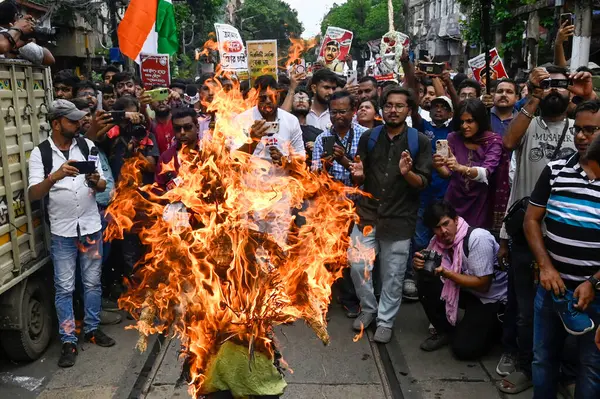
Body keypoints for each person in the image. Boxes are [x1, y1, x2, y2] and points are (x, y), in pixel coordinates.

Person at [497, 65, 592, 394]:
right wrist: (533, 96)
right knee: (527, 312)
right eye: (546, 85)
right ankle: (528, 366)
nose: (554, 90)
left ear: (571, 93)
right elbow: (508, 141)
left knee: (573, 311)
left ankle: (565, 372)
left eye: (560, 85)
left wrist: (589, 95)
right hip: (528, 233)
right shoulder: (529, 122)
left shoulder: (580, 129)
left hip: (572, 238)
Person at [27, 100, 115, 368]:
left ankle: (91, 329)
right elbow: (33, 194)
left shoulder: (87, 146)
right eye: (72, 121)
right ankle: (68, 340)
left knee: (92, 283)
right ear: (56, 124)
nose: (79, 125)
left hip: (90, 227)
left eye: (79, 120)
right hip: (63, 232)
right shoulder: (40, 154)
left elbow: (102, 184)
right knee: (64, 287)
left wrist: (94, 181)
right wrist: (55, 176)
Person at [524, 99, 600, 398]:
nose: (581, 137)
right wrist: (545, 266)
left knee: (592, 367)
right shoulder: (555, 170)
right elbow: (531, 220)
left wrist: (594, 281)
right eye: (578, 130)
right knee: (542, 360)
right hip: (551, 290)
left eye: (591, 130)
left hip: (595, 296)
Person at [348, 85, 432, 343]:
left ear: (408, 110)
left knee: (393, 274)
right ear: (381, 109)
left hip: (399, 218)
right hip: (367, 214)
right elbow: (359, 174)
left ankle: (385, 320)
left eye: (399, 106)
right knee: (357, 263)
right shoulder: (369, 137)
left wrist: (408, 174)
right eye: (388, 106)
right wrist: (358, 175)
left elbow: (424, 182)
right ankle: (369, 309)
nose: (393, 110)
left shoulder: (420, 141)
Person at [414, 201, 508, 359]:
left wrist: (448, 273)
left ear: (456, 220)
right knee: (425, 277)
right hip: (466, 291)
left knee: (464, 350)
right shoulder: (436, 244)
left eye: (446, 224)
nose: (443, 231)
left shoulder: (477, 239)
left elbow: (483, 285)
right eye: (437, 227)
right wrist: (417, 264)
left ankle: (495, 328)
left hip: (492, 299)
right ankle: (444, 330)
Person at [311, 91, 365, 317]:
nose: (338, 116)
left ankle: (355, 299)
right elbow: (313, 178)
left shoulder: (365, 136)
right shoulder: (322, 139)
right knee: (331, 256)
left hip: (360, 207)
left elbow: (368, 173)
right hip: (331, 208)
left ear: (353, 111)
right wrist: (324, 165)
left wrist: (344, 159)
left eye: (343, 112)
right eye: (334, 112)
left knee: (355, 256)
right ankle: (332, 298)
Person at [235, 75, 305, 248]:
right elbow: (233, 159)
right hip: (250, 195)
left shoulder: (290, 121)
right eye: (262, 98)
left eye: (271, 97)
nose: (267, 102)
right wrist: (253, 139)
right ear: (255, 97)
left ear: (279, 96)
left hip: (280, 197)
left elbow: (301, 158)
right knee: (252, 249)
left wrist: (285, 161)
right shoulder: (242, 120)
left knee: (278, 247)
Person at [70, 98, 121, 323]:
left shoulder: (95, 144)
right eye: (81, 117)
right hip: (90, 215)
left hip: (104, 213)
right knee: (89, 266)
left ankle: (96, 303)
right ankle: (90, 313)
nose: (87, 120)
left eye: (89, 115)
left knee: (99, 263)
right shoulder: (76, 146)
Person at [434, 99, 508, 230]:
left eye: (470, 121)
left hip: (480, 203)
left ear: (480, 120)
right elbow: (447, 173)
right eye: (461, 121)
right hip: (454, 200)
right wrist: (439, 165)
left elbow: (485, 172)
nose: (464, 126)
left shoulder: (492, 141)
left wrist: (460, 167)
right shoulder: (454, 138)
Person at [155, 107, 200, 189]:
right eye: (177, 128)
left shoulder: (209, 152)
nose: (182, 132)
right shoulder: (166, 157)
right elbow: (158, 190)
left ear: (197, 127)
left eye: (187, 127)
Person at [290, 88, 322, 163]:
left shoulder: (318, 133)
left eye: (305, 99)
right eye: (296, 99)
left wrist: (318, 147)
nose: (301, 101)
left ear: (310, 106)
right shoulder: (285, 130)